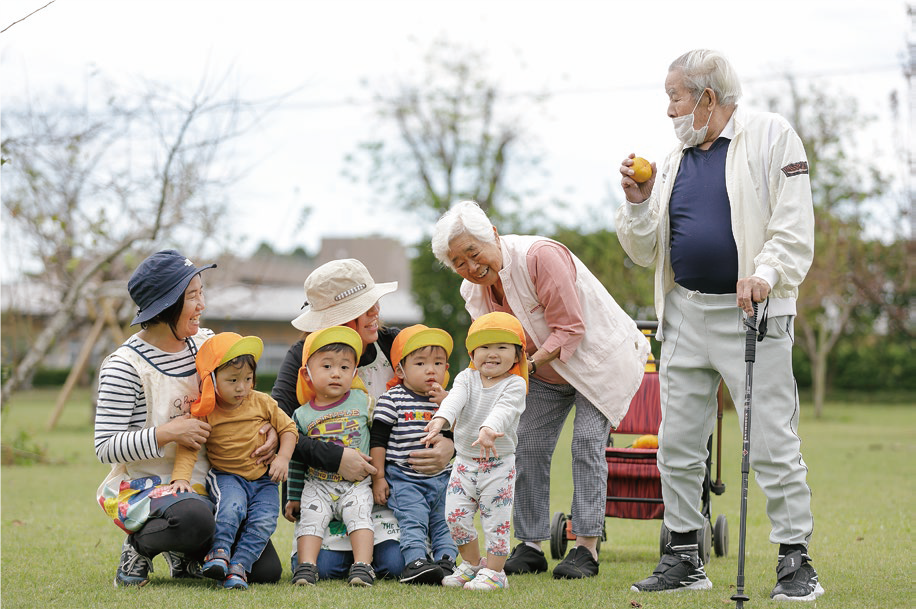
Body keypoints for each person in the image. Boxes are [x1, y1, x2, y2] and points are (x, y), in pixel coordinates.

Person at [615, 49, 822, 601]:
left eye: (675, 97)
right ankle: (684, 554)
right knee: (678, 443)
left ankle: (795, 558)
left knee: (772, 439)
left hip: (751, 314)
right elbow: (644, 251)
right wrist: (638, 205)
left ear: (707, 98)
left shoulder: (773, 136)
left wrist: (767, 272)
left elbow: (795, 226)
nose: (668, 110)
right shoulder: (675, 157)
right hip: (683, 313)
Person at [431, 201, 649, 580]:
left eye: (473, 252)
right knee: (526, 442)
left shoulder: (540, 257)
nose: (470, 267)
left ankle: (585, 548)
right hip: (544, 372)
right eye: (458, 262)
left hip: (596, 362)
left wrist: (523, 369)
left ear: (493, 237)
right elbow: (489, 350)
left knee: (585, 443)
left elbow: (570, 329)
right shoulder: (474, 292)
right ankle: (530, 546)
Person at [95, 249, 282, 587]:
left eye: (201, 293)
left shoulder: (206, 344)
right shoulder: (124, 366)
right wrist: (167, 433)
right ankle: (140, 547)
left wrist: (268, 427)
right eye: (193, 296)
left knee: (266, 571)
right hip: (151, 489)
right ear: (166, 306)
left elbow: (243, 397)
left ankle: (186, 555)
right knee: (194, 518)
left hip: (217, 486)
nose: (202, 305)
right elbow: (105, 447)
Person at [271, 258, 455, 581]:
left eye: (374, 303)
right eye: (364, 307)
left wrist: (448, 444)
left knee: (397, 564)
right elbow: (277, 428)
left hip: (388, 493)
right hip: (324, 490)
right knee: (325, 569)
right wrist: (336, 458)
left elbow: (448, 401)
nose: (376, 313)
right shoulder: (303, 357)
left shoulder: (395, 347)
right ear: (337, 320)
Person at [169, 332, 298, 590]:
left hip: (264, 480)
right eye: (233, 380)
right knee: (232, 508)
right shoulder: (207, 413)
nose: (241, 387)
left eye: (248, 379)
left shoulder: (262, 402)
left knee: (264, 520)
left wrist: (283, 458)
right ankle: (218, 553)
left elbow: (289, 428)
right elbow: (189, 446)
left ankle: (239, 566)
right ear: (212, 380)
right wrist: (181, 478)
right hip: (228, 476)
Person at [423, 312, 529, 591]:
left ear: (517, 356)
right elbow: (455, 400)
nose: (492, 354)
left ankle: (495, 573)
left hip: (498, 465)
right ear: (472, 352)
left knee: (496, 521)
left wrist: (488, 429)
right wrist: (440, 419)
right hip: (465, 463)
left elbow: (504, 410)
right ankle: (472, 565)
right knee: (455, 516)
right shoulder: (466, 378)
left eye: (502, 347)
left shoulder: (515, 384)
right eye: (484, 347)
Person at [283, 326, 375, 586]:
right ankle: (306, 567)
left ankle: (362, 566)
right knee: (310, 521)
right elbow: (297, 460)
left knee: (359, 516)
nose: (336, 373)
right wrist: (292, 496)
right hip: (317, 484)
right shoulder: (301, 415)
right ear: (306, 373)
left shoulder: (363, 401)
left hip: (356, 484)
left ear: (354, 373)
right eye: (327, 366)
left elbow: (380, 436)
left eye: (345, 368)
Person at [370, 324, 458, 585]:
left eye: (438, 363)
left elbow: (458, 438)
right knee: (414, 519)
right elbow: (378, 442)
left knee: (446, 522)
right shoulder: (392, 399)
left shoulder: (448, 401)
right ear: (400, 370)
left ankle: (446, 561)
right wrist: (379, 478)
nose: (431, 370)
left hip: (443, 478)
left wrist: (449, 407)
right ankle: (415, 562)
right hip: (405, 478)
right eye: (420, 363)